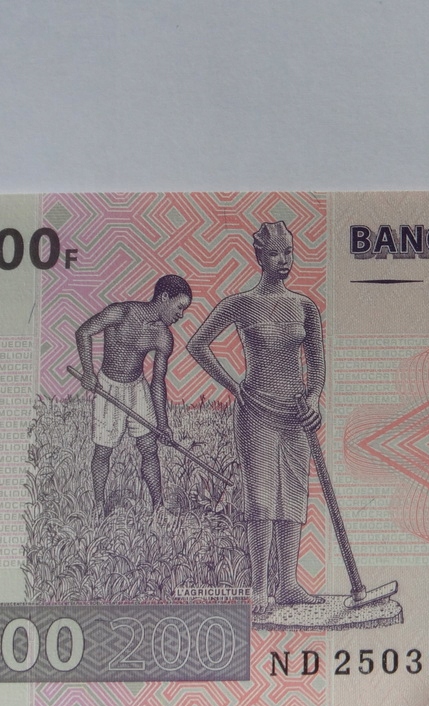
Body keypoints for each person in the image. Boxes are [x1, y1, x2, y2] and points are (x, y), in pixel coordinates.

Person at [187, 222, 325, 607]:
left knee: (292, 497)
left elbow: (316, 364)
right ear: (259, 257)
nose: (284, 261)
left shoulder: (305, 307)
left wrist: (314, 398)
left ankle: (289, 586)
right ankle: (260, 589)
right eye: (275, 253)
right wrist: (234, 386)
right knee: (262, 500)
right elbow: (198, 344)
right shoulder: (241, 303)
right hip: (256, 411)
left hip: (296, 415)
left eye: (289, 252)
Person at [74, 274, 191, 515]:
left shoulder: (163, 337)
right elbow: (83, 332)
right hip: (107, 387)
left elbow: (157, 382)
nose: (181, 315)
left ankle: (158, 507)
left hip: (138, 389)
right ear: (164, 297)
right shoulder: (121, 313)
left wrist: (163, 425)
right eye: (179, 307)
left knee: (149, 447)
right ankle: (98, 507)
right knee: (103, 450)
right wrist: (88, 372)